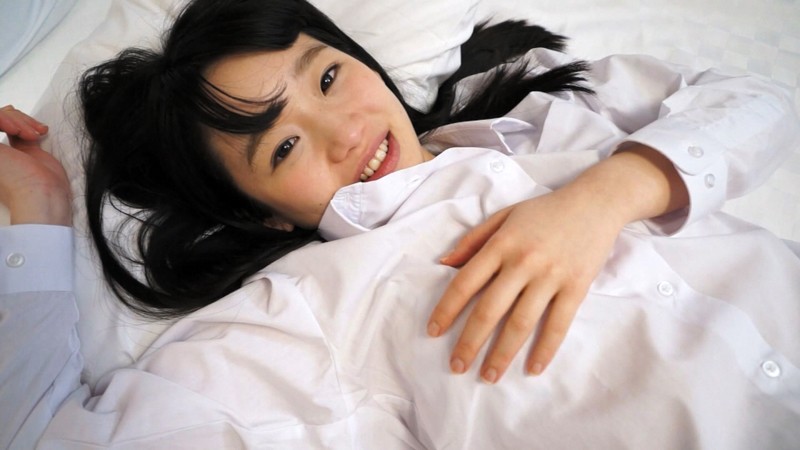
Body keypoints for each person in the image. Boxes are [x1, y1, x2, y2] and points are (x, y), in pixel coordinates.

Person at [1, 0, 798, 447]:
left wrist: (607, 194)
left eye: (327, 76)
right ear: (257, 213)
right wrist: (35, 218)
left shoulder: (535, 104)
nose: (343, 130)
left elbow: (756, 97)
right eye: (283, 147)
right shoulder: (301, 316)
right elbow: (50, 439)